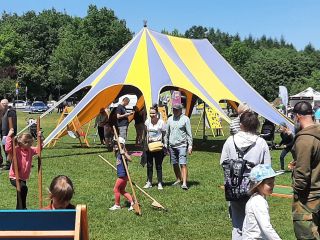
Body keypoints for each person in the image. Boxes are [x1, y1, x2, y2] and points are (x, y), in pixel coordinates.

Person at [220, 111, 271, 240]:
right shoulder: (261, 143)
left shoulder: (230, 140)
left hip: (234, 186)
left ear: (241, 124)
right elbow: (267, 169)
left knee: (237, 224)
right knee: (255, 225)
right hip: (255, 188)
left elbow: (223, 162)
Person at [291, 101, 320, 239]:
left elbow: (302, 174)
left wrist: (297, 191)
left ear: (297, 116)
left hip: (309, 197)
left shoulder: (304, 139)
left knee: (306, 235)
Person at [242, 164, 283, 239]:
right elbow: (266, 228)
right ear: (258, 185)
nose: (273, 185)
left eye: (273, 182)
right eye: (269, 183)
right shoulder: (259, 202)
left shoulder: (255, 198)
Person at [6, 128, 42, 209]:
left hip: (23, 178)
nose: (30, 145)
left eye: (31, 143)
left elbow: (39, 150)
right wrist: (9, 136)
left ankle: (19, 209)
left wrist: (40, 138)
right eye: (29, 143)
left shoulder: (30, 150)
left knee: (21, 192)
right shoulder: (16, 150)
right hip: (14, 177)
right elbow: (7, 149)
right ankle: (23, 208)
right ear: (23, 143)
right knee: (23, 188)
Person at [164, 103, 192, 190]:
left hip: (182, 145)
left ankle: (184, 183)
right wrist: (166, 145)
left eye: (176, 110)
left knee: (182, 163)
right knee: (175, 163)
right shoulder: (170, 119)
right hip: (172, 145)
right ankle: (178, 179)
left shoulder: (185, 119)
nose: (175, 111)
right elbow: (166, 133)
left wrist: (190, 146)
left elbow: (189, 134)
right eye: (173, 109)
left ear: (181, 110)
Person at [143, 105, 166, 190]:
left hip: (158, 146)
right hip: (150, 146)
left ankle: (160, 183)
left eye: (153, 113)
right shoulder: (147, 122)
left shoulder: (161, 122)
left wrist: (164, 144)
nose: (151, 114)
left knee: (158, 165)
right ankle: (149, 182)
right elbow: (146, 133)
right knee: (149, 165)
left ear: (157, 113)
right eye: (150, 113)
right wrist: (145, 144)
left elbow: (164, 134)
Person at [109, 136, 134, 211]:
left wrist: (124, 154)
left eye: (117, 143)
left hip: (122, 175)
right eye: (115, 143)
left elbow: (130, 159)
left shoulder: (123, 152)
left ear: (122, 144)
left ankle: (117, 205)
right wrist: (116, 148)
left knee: (116, 189)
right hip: (122, 174)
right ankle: (132, 203)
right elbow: (114, 150)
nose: (115, 145)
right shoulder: (117, 152)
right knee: (122, 190)